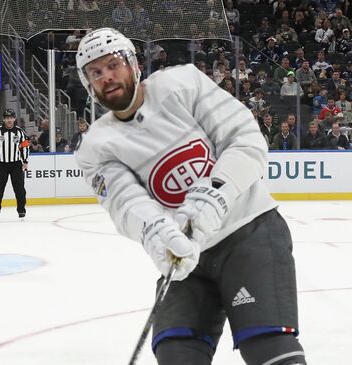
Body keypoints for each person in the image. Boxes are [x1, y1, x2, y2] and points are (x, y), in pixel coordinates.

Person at [74, 28, 306, 365]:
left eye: (113, 65)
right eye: (96, 73)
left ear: (134, 64)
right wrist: (157, 233)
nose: (107, 77)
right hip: (187, 257)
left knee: (269, 350)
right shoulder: (96, 147)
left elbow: (246, 141)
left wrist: (212, 199)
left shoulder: (181, 83)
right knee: (175, 352)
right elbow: (125, 204)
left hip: (250, 231)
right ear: (88, 84)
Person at [0, 109, 29, 220]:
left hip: (16, 164)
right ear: (3, 119)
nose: (9, 120)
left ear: (14, 119)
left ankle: (21, 211)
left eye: (11, 118)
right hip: (1, 165)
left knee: (20, 189)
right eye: (7, 118)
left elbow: (25, 147)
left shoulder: (20, 132)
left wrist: (25, 161)